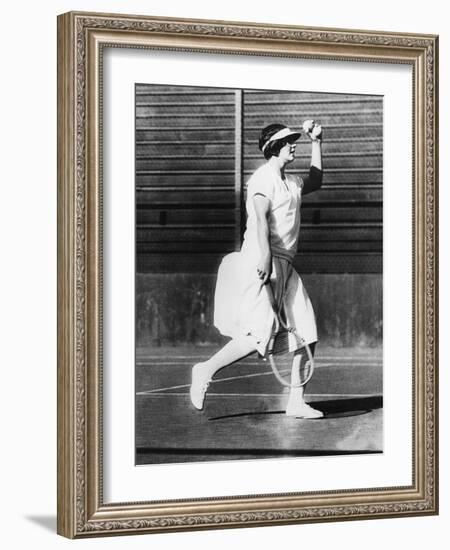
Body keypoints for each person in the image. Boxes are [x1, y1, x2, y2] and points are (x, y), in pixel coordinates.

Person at [190, 120, 324, 418]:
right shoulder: (262, 179)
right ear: (274, 147)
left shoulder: (292, 183)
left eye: (295, 140)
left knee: (307, 331)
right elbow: (262, 220)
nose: (294, 145)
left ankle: (296, 402)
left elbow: (315, 181)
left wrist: (317, 142)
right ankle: (205, 370)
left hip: (286, 264)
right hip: (260, 261)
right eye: (289, 141)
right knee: (257, 336)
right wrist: (264, 259)